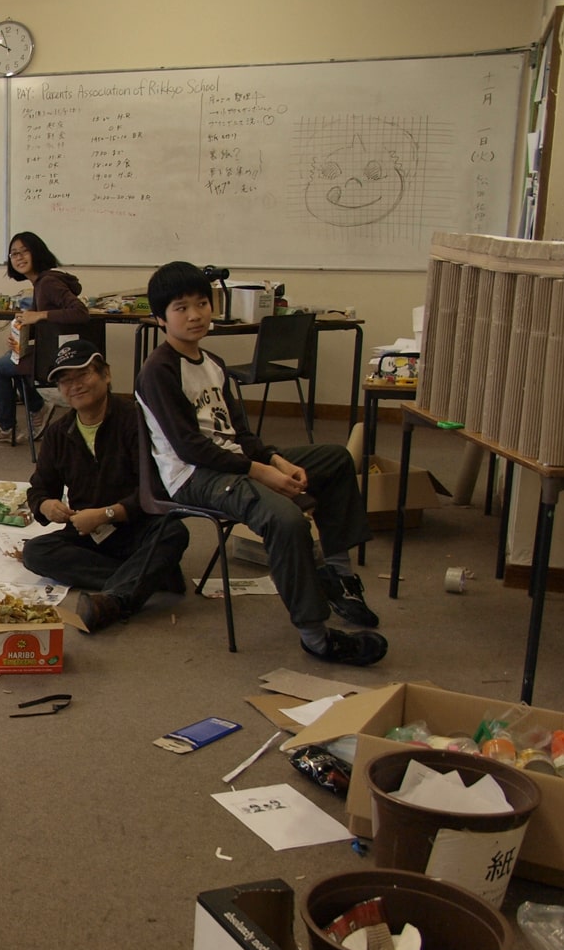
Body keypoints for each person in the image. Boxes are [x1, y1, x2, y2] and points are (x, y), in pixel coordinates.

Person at [134, 261, 386, 666]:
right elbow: (190, 447)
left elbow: (241, 434)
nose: (195, 315)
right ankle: (316, 637)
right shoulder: (158, 370)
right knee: (284, 518)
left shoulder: (213, 363)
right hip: (194, 476)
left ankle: (337, 577)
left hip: (232, 463)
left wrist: (274, 459)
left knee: (335, 459)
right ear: (160, 318)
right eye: (181, 308)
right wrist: (260, 471)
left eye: (202, 304)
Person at [22, 339, 191, 633]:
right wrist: (46, 505)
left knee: (174, 532)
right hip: (90, 533)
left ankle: (116, 598)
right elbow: (40, 488)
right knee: (35, 552)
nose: (74, 386)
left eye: (83, 375)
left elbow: (157, 489)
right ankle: (149, 575)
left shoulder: (136, 421)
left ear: (106, 374)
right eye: (65, 380)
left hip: (136, 525)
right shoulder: (59, 433)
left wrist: (107, 514)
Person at [0, 231, 89, 444]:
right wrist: (20, 336)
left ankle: (8, 426)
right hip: (51, 349)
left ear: (37, 252)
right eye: (14, 253)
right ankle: (38, 408)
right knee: (14, 356)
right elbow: (48, 326)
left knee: (0, 368)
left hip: (54, 355)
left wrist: (39, 315)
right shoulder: (41, 283)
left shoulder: (48, 283)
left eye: (24, 251)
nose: (19, 257)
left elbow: (80, 312)